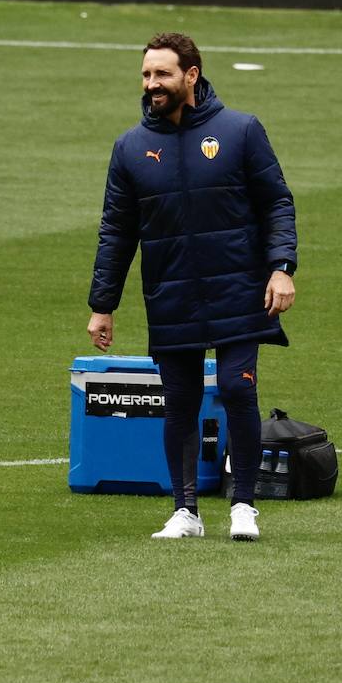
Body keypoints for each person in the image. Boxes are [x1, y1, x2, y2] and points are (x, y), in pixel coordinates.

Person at [88, 32, 296, 543]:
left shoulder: (241, 130)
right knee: (178, 400)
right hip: (173, 293)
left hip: (240, 290)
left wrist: (282, 267)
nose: (152, 84)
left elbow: (277, 203)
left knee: (234, 389)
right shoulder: (131, 148)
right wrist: (102, 305)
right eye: (146, 75)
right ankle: (186, 511)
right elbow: (116, 230)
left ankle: (244, 506)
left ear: (191, 75)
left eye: (162, 74)